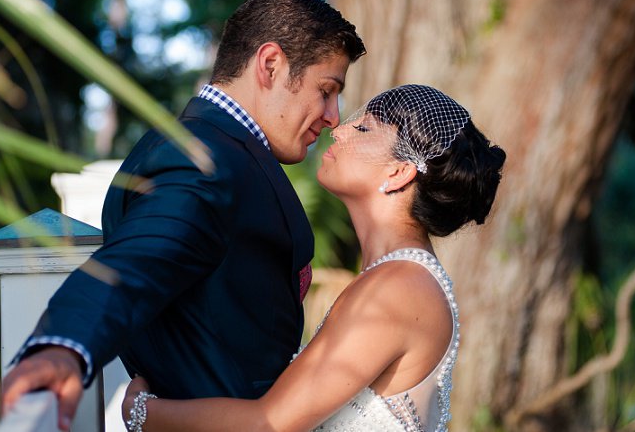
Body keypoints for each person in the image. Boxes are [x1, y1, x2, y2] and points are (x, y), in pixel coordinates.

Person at [0, 0, 366, 430]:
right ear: (270, 65)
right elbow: (138, 260)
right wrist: (64, 345)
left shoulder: (197, 146)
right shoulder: (204, 159)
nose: (333, 115)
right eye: (326, 90)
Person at [121, 84, 506, 432]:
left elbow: (266, 424)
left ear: (399, 171)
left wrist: (141, 412)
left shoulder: (399, 288)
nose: (338, 129)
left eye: (363, 129)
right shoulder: (397, 279)